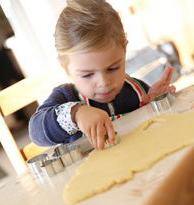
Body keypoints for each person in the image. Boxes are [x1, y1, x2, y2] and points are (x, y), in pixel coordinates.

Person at [29, 0, 176, 150]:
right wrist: (75, 114)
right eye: (87, 75)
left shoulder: (137, 91)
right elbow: (36, 133)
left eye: (112, 68)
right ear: (65, 67)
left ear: (124, 51)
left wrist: (155, 105)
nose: (103, 82)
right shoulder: (64, 97)